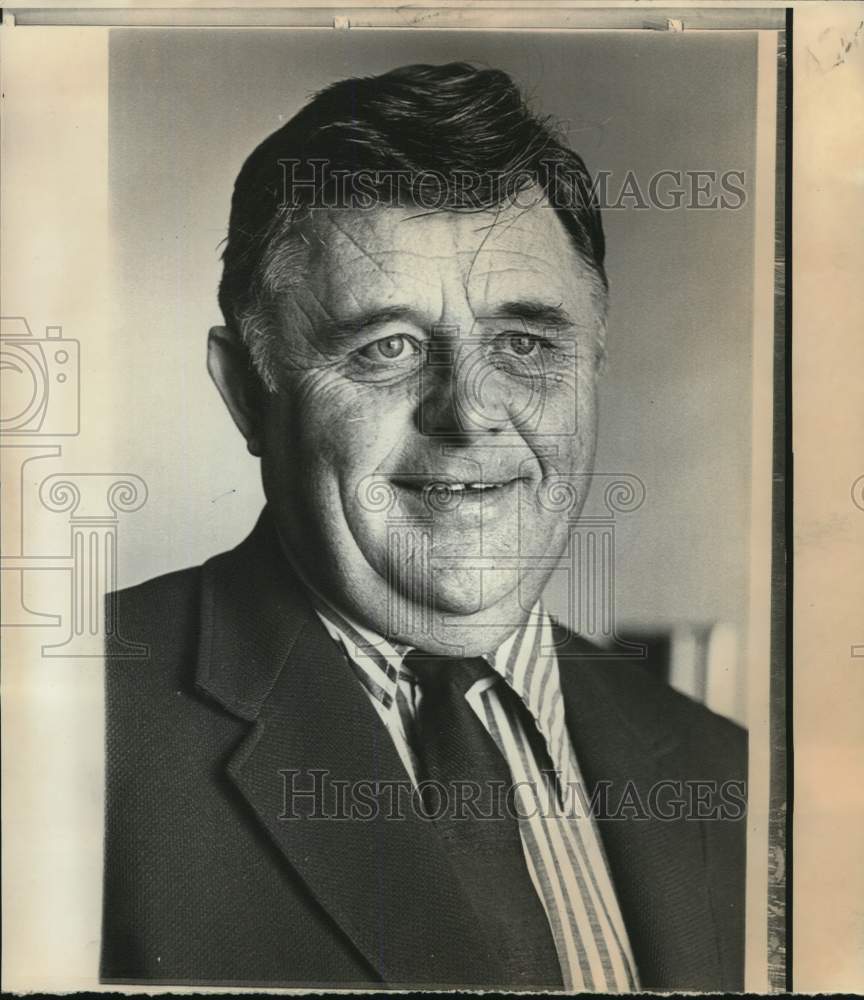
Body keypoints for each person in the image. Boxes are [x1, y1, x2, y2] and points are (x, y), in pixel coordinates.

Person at [101, 62, 746, 991]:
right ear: (246, 392)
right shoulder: (66, 737)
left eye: (523, 344)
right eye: (387, 348)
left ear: (591, 366)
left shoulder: (720, 771)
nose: (470, 413)